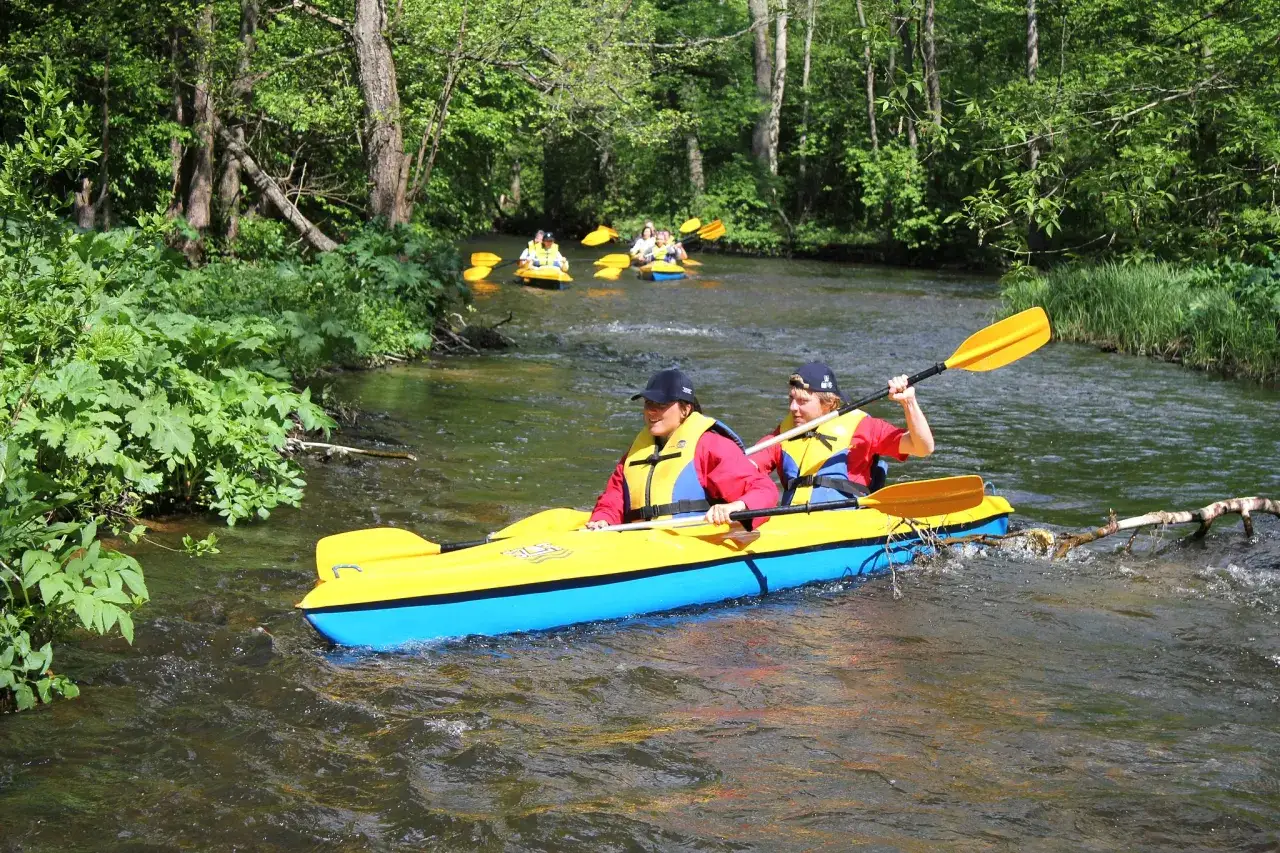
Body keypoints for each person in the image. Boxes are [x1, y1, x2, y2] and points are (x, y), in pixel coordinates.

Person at [586, 368, 778, 529]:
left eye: (661, 404)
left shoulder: (710, 446)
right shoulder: (635, 453)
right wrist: (603, 519)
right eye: (648, 403)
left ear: (685, 409)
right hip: (642, 542)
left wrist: (736, 506)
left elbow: (763, 489)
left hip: (691, 541)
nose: (651, 411)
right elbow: (613, 499)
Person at [752, 362, 935, 506]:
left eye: (802, 401)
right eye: (791, 398)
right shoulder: (784, 433)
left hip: (845, 523)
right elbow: (749, 465)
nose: (793, 407)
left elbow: (923, 447)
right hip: (794, 524)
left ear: (828, 402)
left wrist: (908, 402)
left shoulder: (864, 427)